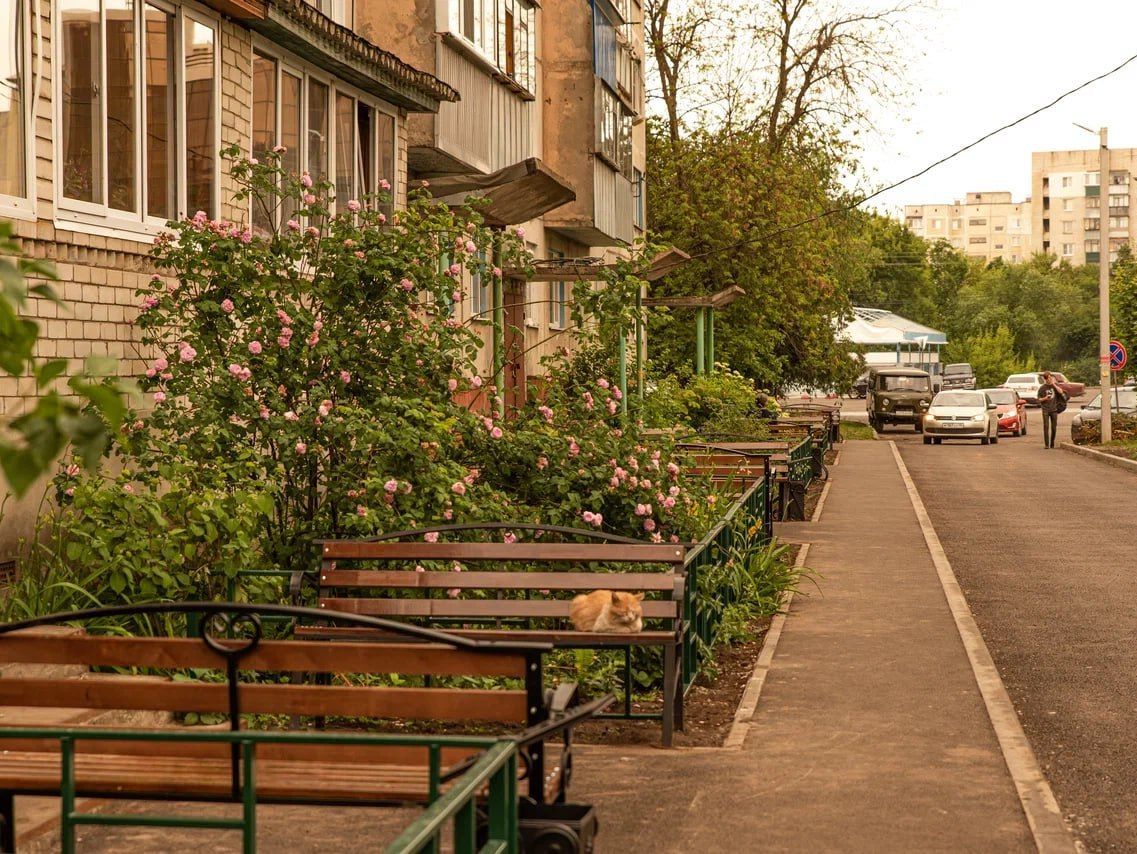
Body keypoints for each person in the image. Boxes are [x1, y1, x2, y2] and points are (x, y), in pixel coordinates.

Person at [1037, 372, 1067, 449]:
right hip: (1045, 410)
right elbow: (1039, 399)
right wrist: (1045, 398)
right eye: (1047, 378)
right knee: (1046, 426)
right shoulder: (1042, 388)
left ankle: (1052, 442)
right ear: (1045, 379)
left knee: (1054, 427)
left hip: (1054, 409)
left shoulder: (1054, 386)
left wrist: (1053, 384)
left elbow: (1061, 392)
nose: (1049, 379)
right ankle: (1046, 444)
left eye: (1050, 377)